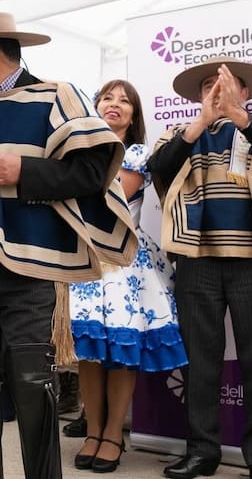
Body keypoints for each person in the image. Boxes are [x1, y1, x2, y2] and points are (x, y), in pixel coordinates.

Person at [0, 12, 137, 479]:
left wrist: (26, 172)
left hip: (32, 274)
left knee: (33, 391)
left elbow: (94, 173)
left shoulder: (58, 97)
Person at [148, 57, 252, 479]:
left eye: (226, 84)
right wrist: (199, 123)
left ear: (245, 93)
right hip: (197, 262)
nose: (217, 90)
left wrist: (242, 120)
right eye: (208, 85)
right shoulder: (182, 134)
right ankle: (202, 452)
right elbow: (159, 168)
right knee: (199, 362)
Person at [68, 80, 188, 473]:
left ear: (133, 116)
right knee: (88, 353)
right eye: (107, 98)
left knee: (120, 354)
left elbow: (109, 197)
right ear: (95, 104)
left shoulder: (137, 153)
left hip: (123, 264)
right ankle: (93, 430)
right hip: (84, 261)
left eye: (124, 102)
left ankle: (113, 435)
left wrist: (66, 179)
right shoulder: (78, 148)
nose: (115, 105)